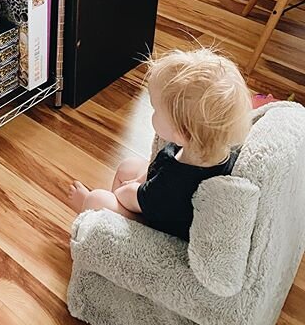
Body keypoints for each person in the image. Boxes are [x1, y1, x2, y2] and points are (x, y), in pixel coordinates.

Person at [66, 48, 252, 241]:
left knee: (97, 199)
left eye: (155, 110)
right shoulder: (203, 149)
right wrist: (139, 180)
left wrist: (131, 189)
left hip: (160, 230)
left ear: (181, 134)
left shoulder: (173, 186)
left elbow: (130, 195)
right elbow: (160, 166)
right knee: (127, 166)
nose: (152, 114)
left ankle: (96, 223)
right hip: (155, 201)